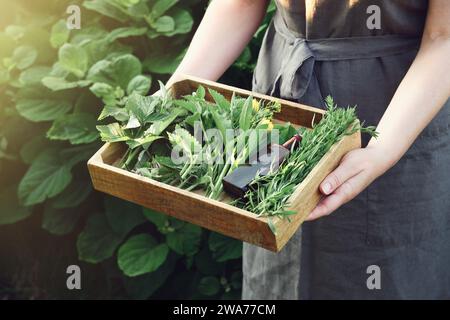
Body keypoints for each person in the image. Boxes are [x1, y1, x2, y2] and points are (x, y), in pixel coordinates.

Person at [166, 0, 450, 299]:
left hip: (396, 117)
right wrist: (172, 96)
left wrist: (381, 150)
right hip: (280, 106)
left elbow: (443, 38)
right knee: (278, 277)